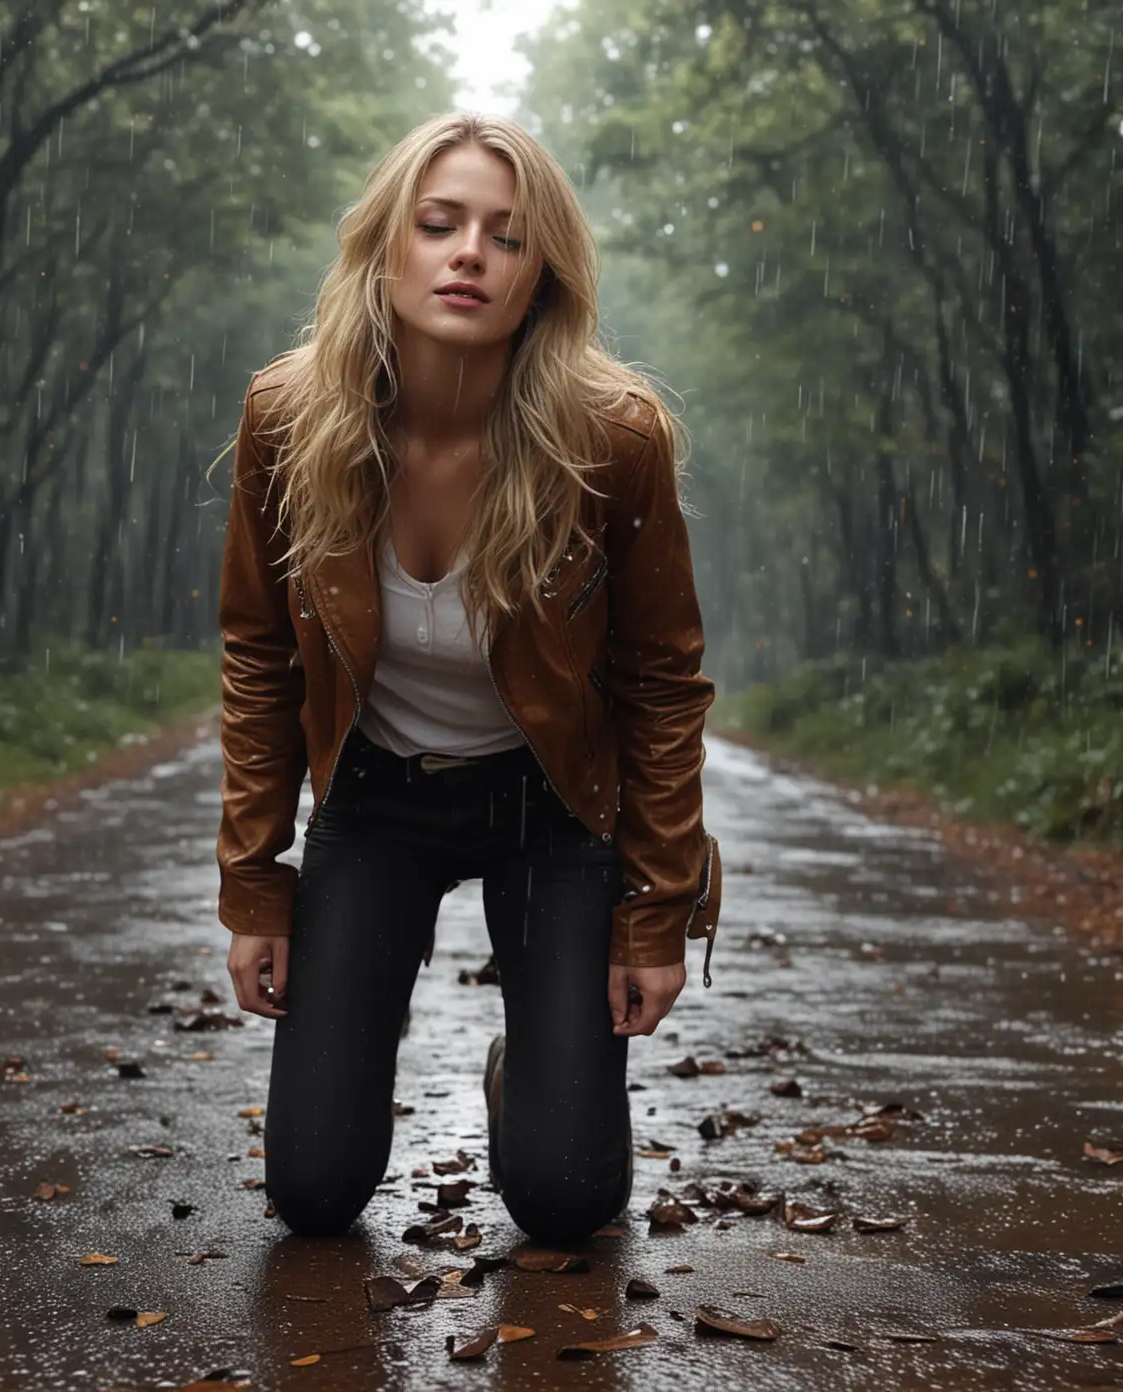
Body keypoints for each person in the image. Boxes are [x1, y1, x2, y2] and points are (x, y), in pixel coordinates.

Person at [213, 112, 721, 1245]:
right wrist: (256, 883)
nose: (467, 254)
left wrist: (655, 914)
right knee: (314, 1189)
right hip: (376, 799)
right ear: (386, 245)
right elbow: (258, 655)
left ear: (540, 276)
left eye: (505, 235)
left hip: (553, 811)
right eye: (438, 224)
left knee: (565, 1198)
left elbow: (662, 681)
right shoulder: (287, 421)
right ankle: (374, 1059)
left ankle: (531, 1080)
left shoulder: (612, 439)